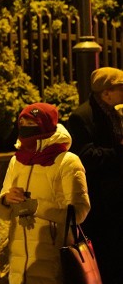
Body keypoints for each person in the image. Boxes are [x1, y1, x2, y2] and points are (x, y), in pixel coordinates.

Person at [0, 102, 90, 283]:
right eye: (22, 124)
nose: (25, 129)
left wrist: (37, 207)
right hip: (18, 261)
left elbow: (79, 212)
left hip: (52, 256)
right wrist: (5, 200)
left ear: (45, 126)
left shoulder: (67, 162)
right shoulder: (16, 161)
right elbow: (3, 208)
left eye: (31, 124)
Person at [63, 66, 123, 282]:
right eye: (120, 88)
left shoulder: (115, 113)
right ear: (106, 92)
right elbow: (86, 156)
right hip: (100, 202)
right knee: (105, 256)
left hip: (117, 200)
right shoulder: (82, 117)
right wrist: (119, 151)